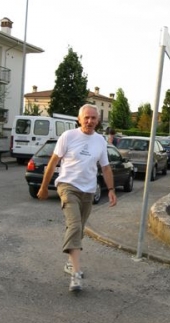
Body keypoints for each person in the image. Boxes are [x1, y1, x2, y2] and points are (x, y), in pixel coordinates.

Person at [37, 104, 117, 292]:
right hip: (68, 187)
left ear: (98, 121)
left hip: (88, 190)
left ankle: (69, 262)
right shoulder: (68, 136)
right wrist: (43, 187)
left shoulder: (100, 141)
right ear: (79, 119)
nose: (89, 121)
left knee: (79, 229)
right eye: (86, 118)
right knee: (74, 226)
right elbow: (53, 162)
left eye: (93, 118)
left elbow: (105, 167)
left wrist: (111, 189)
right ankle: (76, 273)